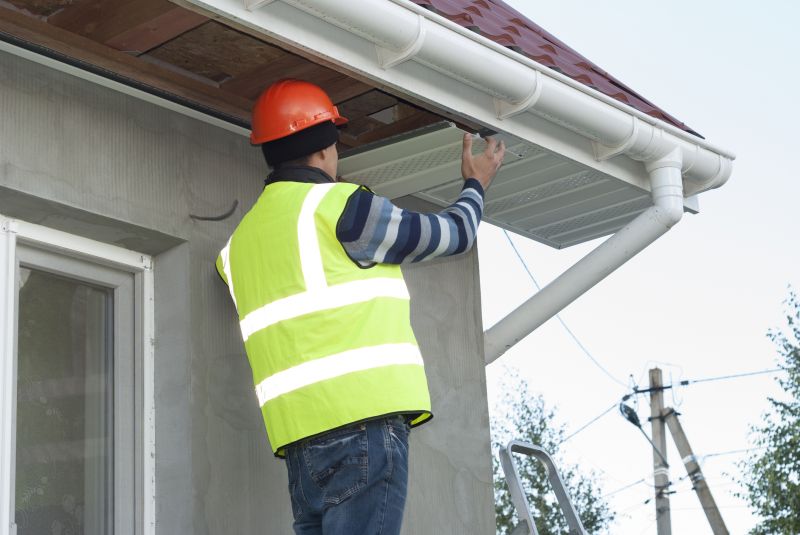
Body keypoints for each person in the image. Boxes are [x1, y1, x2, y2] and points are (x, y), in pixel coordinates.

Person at [215, 79, 505, 535]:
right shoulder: (343, 209)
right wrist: (476, 184)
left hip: (298, 441)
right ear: (326, 147)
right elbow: (454, 235)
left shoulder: (236, 248)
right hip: (363, 427)